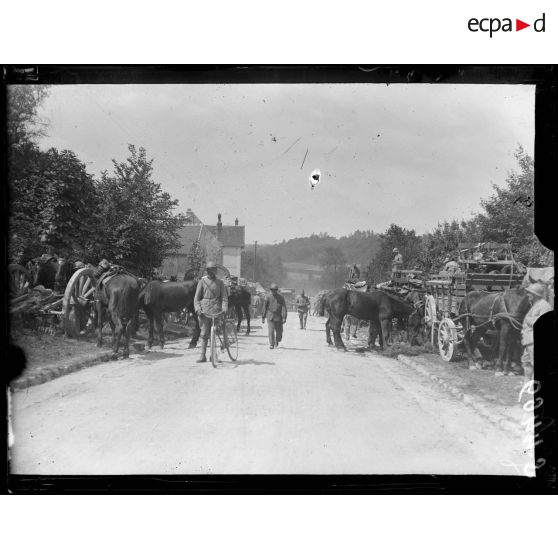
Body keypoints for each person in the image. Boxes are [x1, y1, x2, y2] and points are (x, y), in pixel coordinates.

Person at [193, 261, 229, 363]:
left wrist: (224, 307)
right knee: (204, 333)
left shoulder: (220, 282)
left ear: (215, 271)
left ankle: (214, 355)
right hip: (204, 310)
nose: (210, 272)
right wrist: (197, 309)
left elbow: (224, 298)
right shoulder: (202, 282)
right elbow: (196, 298)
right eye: (209, 270)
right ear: (207, 271)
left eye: (213, 270)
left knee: (215, 332)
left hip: (216, 310)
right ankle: (202, 355)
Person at [521, 283, 552, 383]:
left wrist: (528, 319)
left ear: (535, 294)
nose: (528, 295)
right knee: (526, 363)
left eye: (529, 293)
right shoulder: (535, 305)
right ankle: (527, 384)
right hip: (528, 341)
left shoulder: (544, 306)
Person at [262, 283, 287, 349]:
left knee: (279, 332)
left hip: (279, 317)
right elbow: (264, 307)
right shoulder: (268, 297)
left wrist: (284, 317)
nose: (274, 291)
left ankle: (277, 341)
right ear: (271, 290)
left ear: (277, 290)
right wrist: (263, 317)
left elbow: (284, 307)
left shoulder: (281, 297)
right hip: (270, 316)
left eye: (275, 290)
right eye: (272, 290)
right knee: (271, 331)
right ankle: (271, 344)